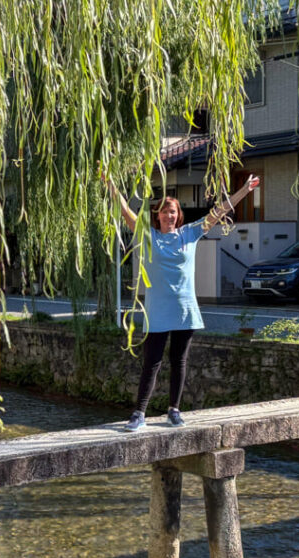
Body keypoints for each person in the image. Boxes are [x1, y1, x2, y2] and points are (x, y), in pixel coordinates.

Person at [103, 173, 261, 430]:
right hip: (157, 312)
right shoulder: (149, 237)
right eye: (165, 212)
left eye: (173, 212)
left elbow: (219, 211)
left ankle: (174, 410)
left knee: (179, 361)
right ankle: (139, 413)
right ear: (157, 216)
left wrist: (244, 189)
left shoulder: (189, 234)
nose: (169, 216)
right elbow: (124, 211)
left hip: (185, 310)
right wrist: (109, 181)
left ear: (179, 215)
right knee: (152, 363)